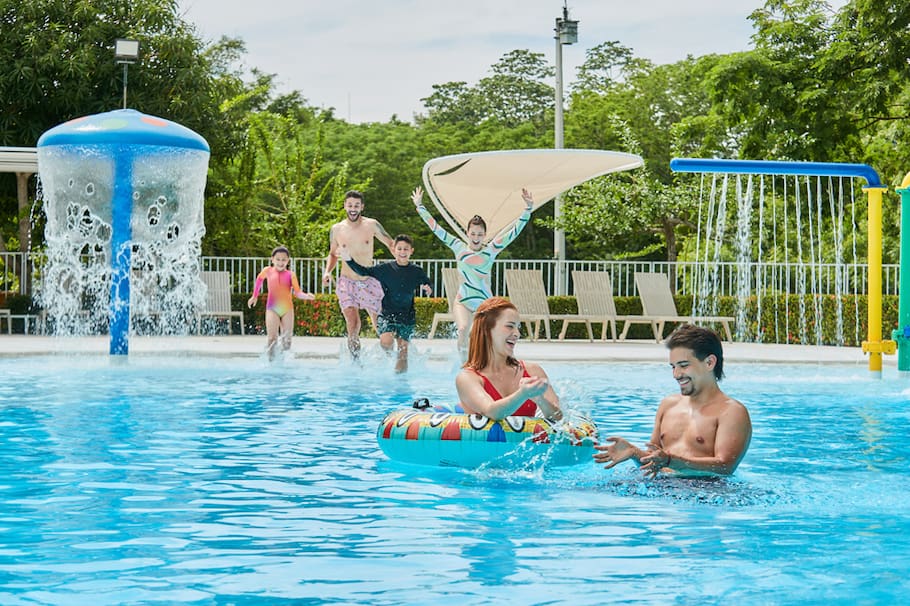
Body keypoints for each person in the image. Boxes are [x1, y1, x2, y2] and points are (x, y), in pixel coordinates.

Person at [593, 324, 752, 478]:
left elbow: (725, 467)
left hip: (705, 493)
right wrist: (634, 453)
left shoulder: (731, 412)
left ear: (709, 362)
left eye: (683, 365)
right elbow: (655, 460)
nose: (676, 374)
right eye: (673, 367)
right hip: (663, 489)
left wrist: (670, 460)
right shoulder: (668, 405)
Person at [412, 185, 534, 357]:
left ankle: (492, 365)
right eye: (473, 234)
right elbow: (436, 228)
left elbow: (513, 233)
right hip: (463, 301)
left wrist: (527, 209)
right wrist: (420, 206)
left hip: (485, 304)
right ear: (467, 233)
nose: (476, 238)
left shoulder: (491, 250)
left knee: (489, 337)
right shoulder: (458, 247)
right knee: (463, 329)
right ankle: (463, 366)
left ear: (484, 235)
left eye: (480, 234)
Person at [455, 296, 562, 421]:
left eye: (518, 327)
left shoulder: (533, 371)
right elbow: (491, 411)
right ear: (487, 330)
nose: (517, 333)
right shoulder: (467, 378)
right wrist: (523, 394)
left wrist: (540, 399)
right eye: (510, 326)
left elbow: (558, 417)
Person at [340, 234, 433, 373]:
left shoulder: (416, 271)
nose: (402, 252)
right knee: (386, 342)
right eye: (400, 249)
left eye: (406, 249)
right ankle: (388, 355)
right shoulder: (385, 269)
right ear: (394, 250)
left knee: (403, 351)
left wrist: (427, 286)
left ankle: (399, 384)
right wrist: (349, 260)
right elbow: (364, 271)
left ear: (411, 251)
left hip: (407, 316)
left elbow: (427, 281)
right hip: (387, 314)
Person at [322, 190, 394, 360]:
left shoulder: (372, 225)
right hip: (347, 283)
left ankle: (391, 359)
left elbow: (391, 244)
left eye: (356, 205)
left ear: (362, 207)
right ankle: (356, 365)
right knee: (352, 324)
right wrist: (327, 272)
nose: (353, 209)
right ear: (345, 206)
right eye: (350, 205)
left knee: (381, 326)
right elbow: (333, 254)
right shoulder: (336, 229)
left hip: (368, 281)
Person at [247, 245, 315, 359]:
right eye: (278, 259)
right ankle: (271, 362)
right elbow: (259, 280)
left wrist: (307, 296)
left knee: (287, 341)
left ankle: (283, 363)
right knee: (272, 339)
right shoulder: (267, 271)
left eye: (284, 260)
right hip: (272, 309)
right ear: (272, 259)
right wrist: (254, 296)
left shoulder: (290, 275)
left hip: (287, 309)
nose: (280, 262)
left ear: (288, 261)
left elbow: (297, 293)